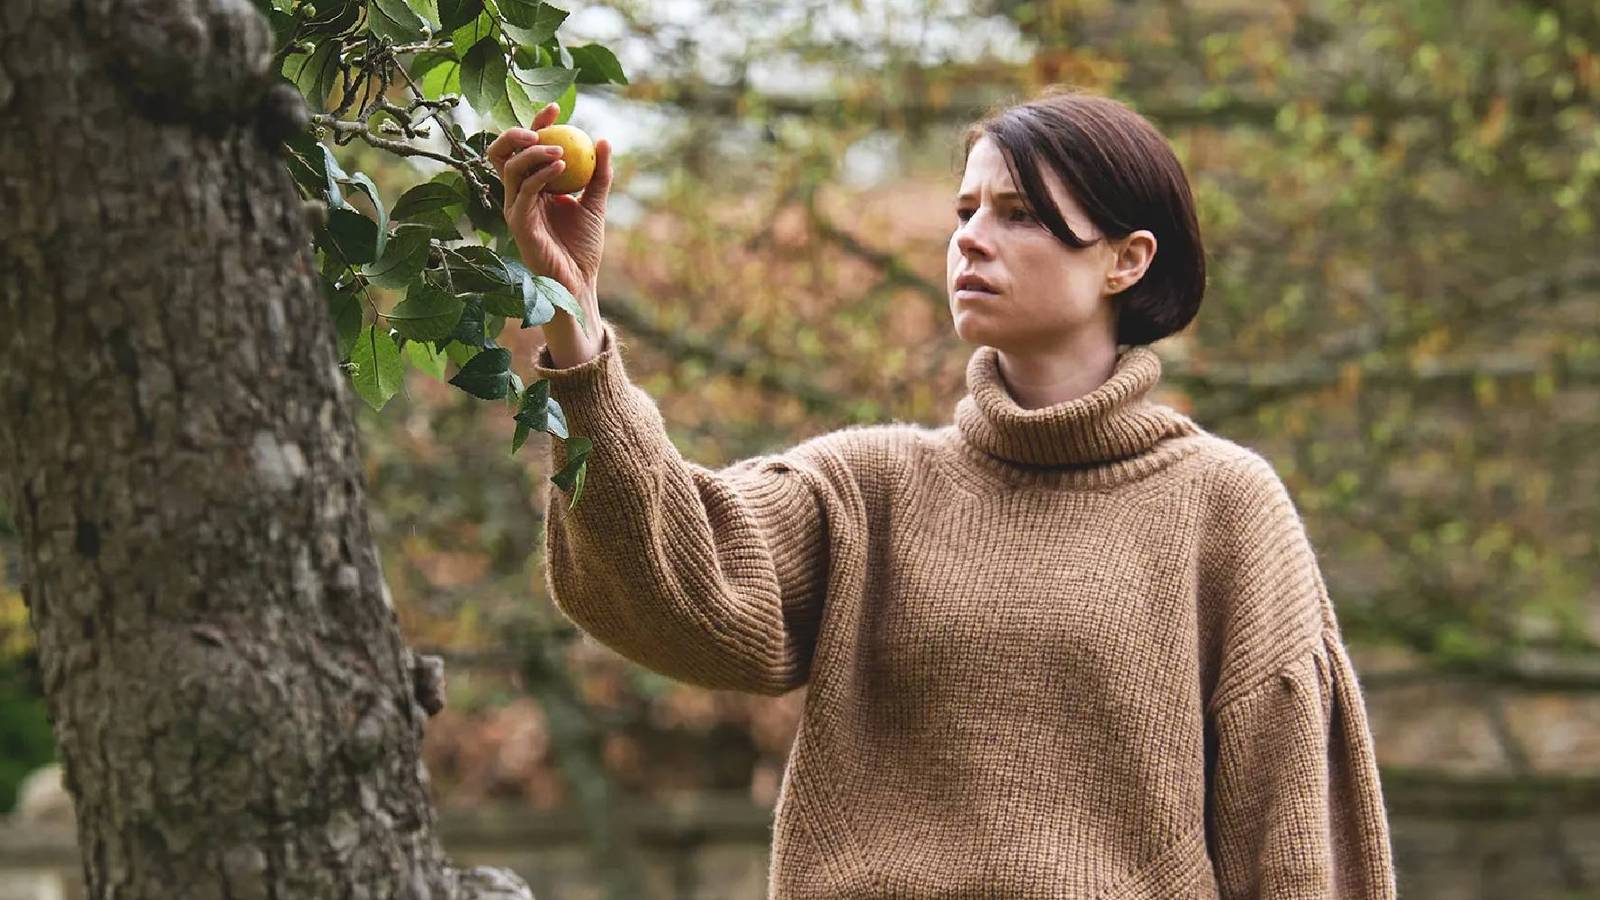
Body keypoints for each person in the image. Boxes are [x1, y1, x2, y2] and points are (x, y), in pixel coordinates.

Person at [487, 87, 1398, 899]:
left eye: (1018, 213)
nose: (970, 234)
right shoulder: (870, 488)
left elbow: (1296, 852)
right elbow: (676, 585)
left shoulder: (1226, 508)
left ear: (1126, 260)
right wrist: (576, 322)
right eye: (965, 208)